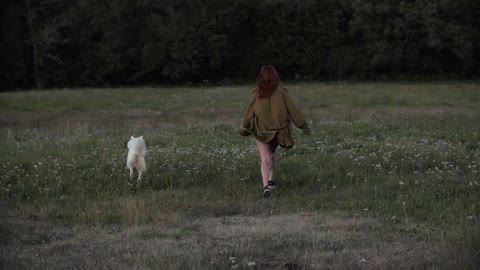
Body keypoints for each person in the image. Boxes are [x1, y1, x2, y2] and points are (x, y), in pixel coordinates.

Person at [240, 65, 311, 198]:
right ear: (275, 77)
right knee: (272, 154)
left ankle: (265, 186)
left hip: (261, 131)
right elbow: (293, 110)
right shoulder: (282, 92)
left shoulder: (257, 93)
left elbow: (248, 114)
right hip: (279, 131)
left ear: (261, 78)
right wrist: (303, 126)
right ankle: (271, 181)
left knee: (265, 158)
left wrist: (244, 128)